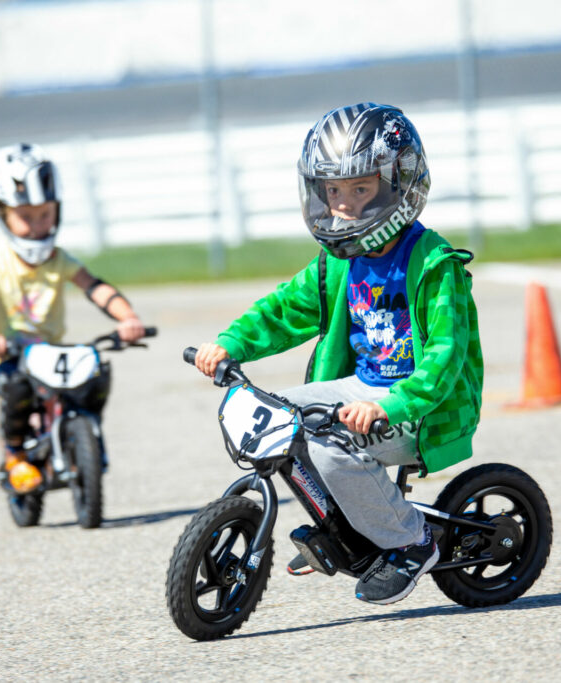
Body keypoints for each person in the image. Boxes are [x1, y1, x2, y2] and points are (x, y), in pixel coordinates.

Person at [193, 103, 483, 605]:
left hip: (417, 404)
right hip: (364, 389)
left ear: (400, 182)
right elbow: (285, 308)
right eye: (332, 190)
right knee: (277, 417)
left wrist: (389, 407)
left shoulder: (435, 265)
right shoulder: (336, 262)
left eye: (361, 188)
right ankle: (349, 530)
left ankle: (412, 541)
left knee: (329, 444)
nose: (343, 204)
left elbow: (444, 358)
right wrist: (232, 343)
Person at [0, 143, 148, 494]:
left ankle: (84, 437)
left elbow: (95, 288)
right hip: (3, 356)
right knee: (18, 389)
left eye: (45, 214)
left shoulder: (59, 259)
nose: (36, 225)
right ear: (3, 215)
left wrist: (129, 318)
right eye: (25, 217)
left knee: (94, 375)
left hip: (47, 352)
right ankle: (14, 455)